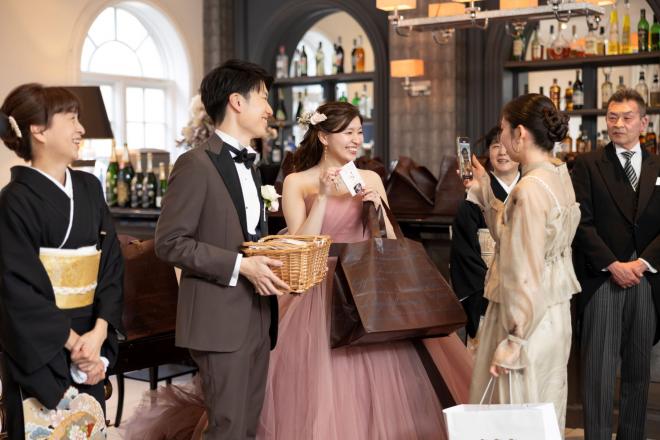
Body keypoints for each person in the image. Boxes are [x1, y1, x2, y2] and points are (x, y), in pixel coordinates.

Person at [255, 102, 472, 439]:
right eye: (348, 132)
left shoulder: (369, 178)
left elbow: (390, 241)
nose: (357, 139)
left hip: (365, 284)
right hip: (320, 285)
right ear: (323, 137)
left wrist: (378, 209)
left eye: (359, 132)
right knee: (325, 377)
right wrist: (322, 197)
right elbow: (301, 243)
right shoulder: (298, 182)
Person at [152, 59, 290, 440]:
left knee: (247, 428)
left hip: (258, 315)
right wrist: (240, 266)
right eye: (263, 98)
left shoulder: (252, 167)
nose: (269, 110)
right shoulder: (194, 164)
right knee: (226, 429)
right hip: (218, 319)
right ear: (236, 102)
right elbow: (169, 242)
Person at [0, 83, 124, 438]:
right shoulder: (13, 201)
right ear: (38, 130)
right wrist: (74, 344)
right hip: (44, 348)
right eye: (71, 118)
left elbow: (111, 265)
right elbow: (17, 292)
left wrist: (98, 336)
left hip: (91, 343)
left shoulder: (89, 188)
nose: (81, 128)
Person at [464, 93, 581, 433]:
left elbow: (524, 271)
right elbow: (517, 237)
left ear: (520, 133)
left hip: (525, 318)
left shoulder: (528, 190)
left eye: (503, 129)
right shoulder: (559, 176)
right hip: (553, 314)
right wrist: (486, 191)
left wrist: (515, 339)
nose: (500, 138)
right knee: (544, 412)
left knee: (512, 419)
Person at [572, 89, 660, 440]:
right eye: (612, 117)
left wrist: (642, 263)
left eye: (626, 117)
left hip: (646, 279)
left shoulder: (658, 165)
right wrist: (613, 264)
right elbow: (581, 223)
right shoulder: (588, 164)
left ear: (644, 122)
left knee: (638, 372)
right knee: (599, 372)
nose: (618, 123)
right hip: (603, 280)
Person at [450, 126, 520, 343]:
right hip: (486, 300)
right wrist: (488, 296)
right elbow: (464, 256)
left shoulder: (532, 191)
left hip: (526, 300)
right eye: (496, 146)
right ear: (488, 152)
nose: (502, 152)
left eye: (507, 145)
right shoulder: (474, 200)